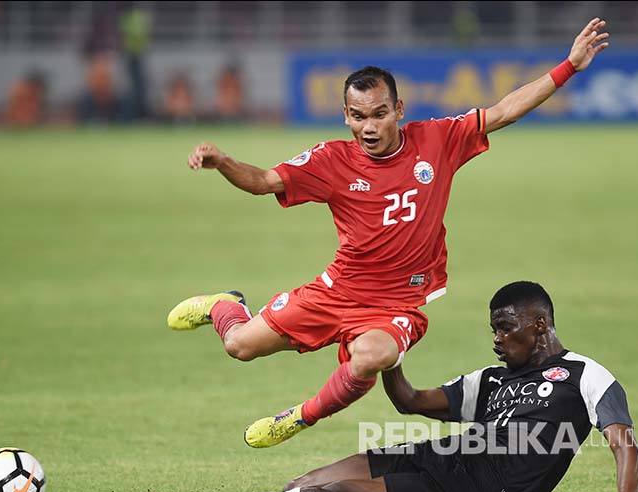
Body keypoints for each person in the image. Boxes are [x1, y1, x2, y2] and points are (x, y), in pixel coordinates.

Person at [168, 19, 610, 449]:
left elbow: (503, 110)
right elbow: (264, 180)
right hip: (336, 292)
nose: (370, 127)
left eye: (380, 114)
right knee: (239, 346)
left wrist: (567, 66)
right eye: (359, 116)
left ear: (398, 110)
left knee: (373, 356)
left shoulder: (437, 140)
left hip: (397, 305)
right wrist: (223, 162)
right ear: (346, 116)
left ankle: (299, 417)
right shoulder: (331, 161)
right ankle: (226, 305)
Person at [98, 281, 638, 492]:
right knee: (300, 488)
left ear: (540, 325)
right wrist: (390, 341)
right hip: (441, 456)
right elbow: (407, 400)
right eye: (494, 330)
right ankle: (229, 307)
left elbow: (624, 446)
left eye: (506, 329)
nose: (497, 340)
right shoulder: (492, 379)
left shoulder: (584, 375)